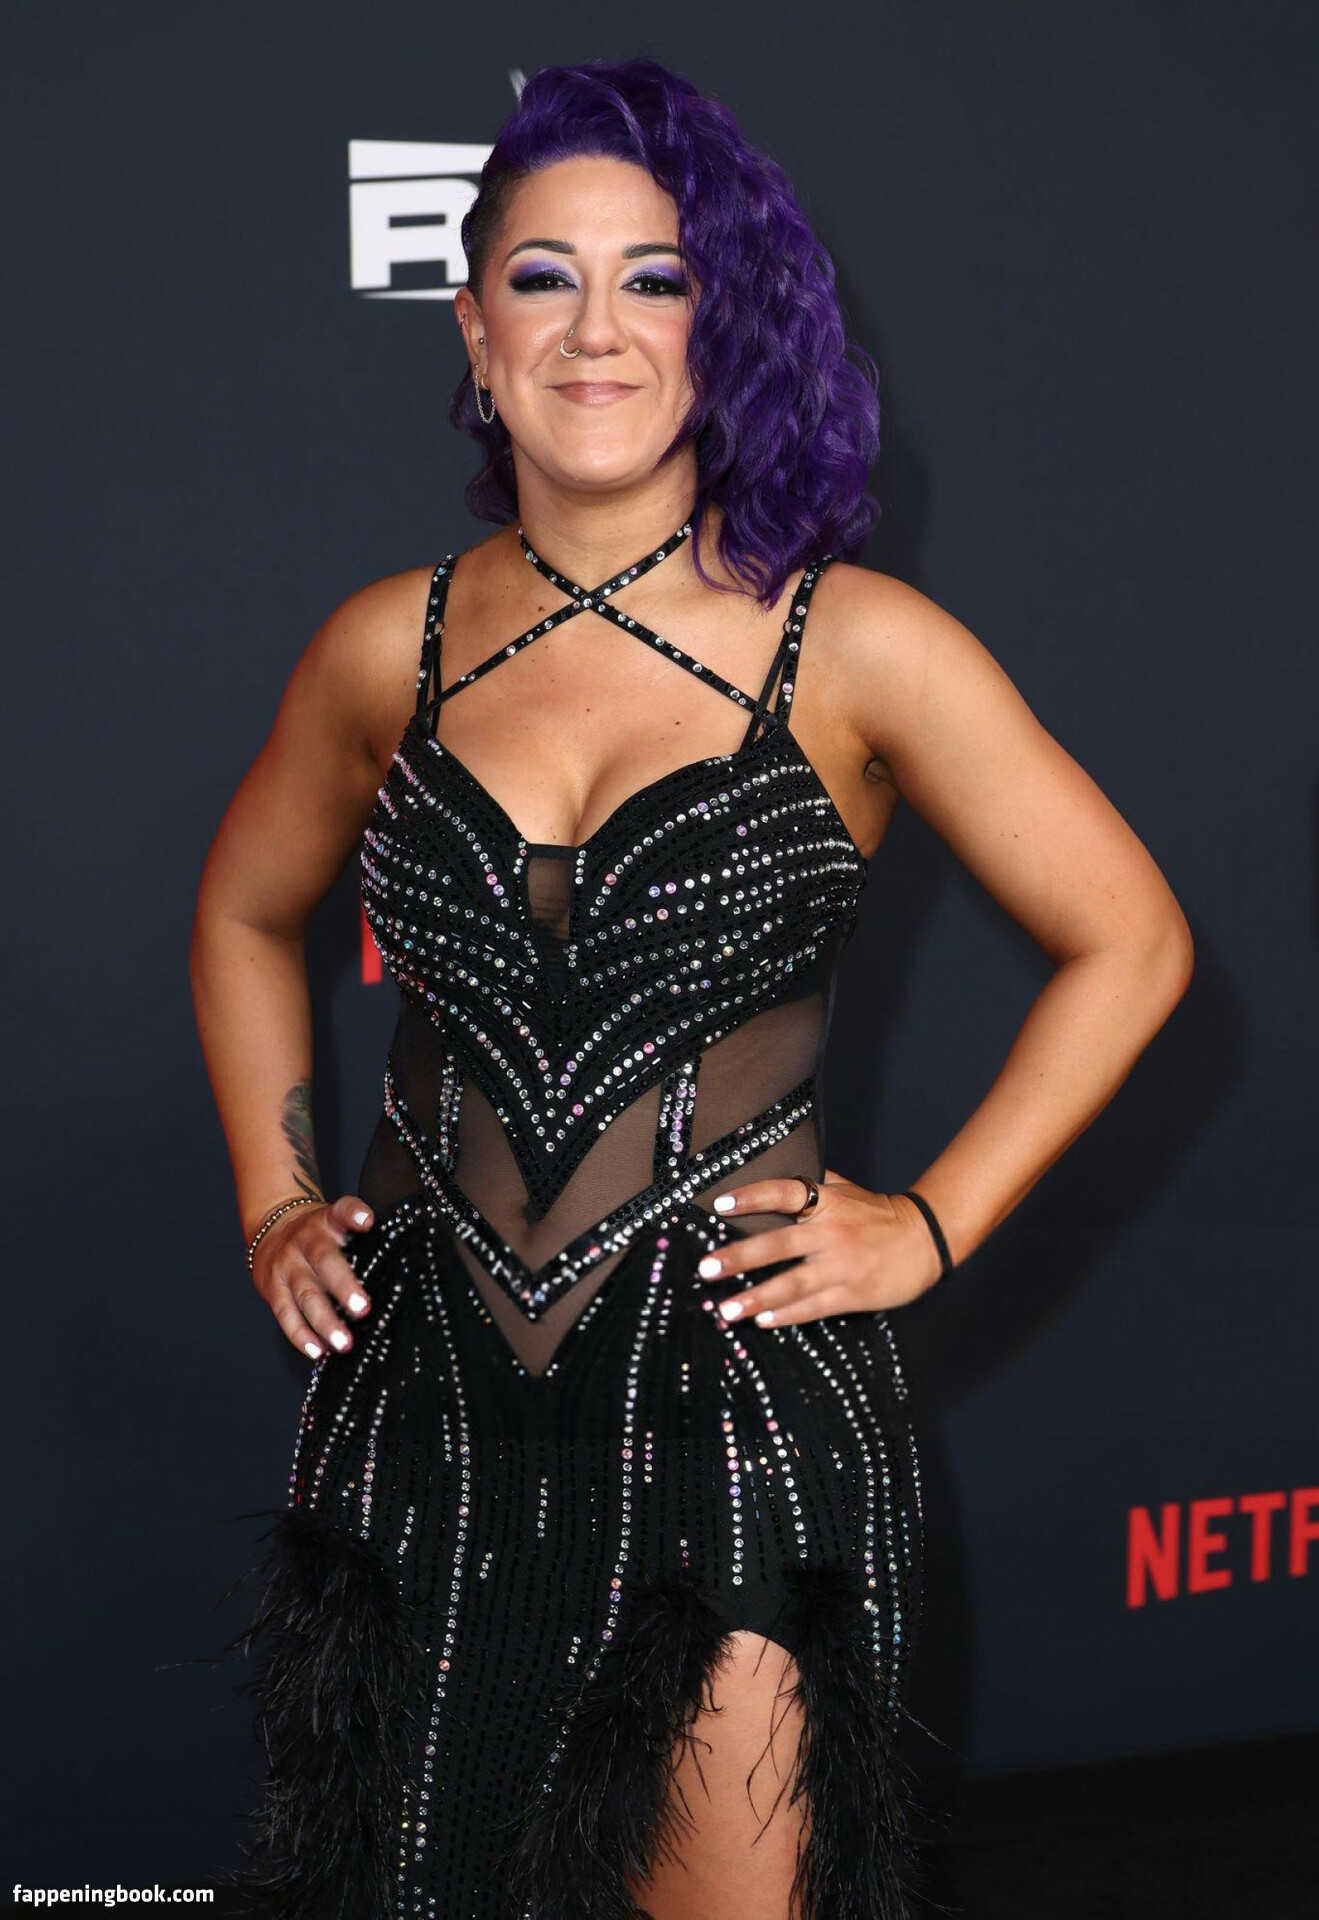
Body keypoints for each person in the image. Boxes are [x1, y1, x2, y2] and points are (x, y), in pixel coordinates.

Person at [190, 56, 1193, 1920]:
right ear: (474, 328)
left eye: (653, 279)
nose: (597, 329)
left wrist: (934, 1227)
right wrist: (271, 1196)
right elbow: (246, 916)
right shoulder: (381, 648)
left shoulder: (857, 645)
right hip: (420, 1418)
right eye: (544, 277)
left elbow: (1132, 940)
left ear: (720, 328)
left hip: (736, 1414)